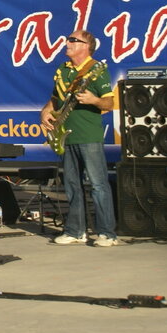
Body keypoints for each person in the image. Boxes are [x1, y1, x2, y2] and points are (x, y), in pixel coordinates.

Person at [39, 30, 118, 247]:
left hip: (88, 135)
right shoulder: (63, 70)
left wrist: (93, 99)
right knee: (72, 185)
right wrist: (45, 112)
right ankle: (75, 230)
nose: (68, 42)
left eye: (73, 40)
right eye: (68, 39)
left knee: (98, 184)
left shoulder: (95, 69)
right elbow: (55, 98)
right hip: (66, 135)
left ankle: (107, 233)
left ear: (86, 46)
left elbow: (109, 104)